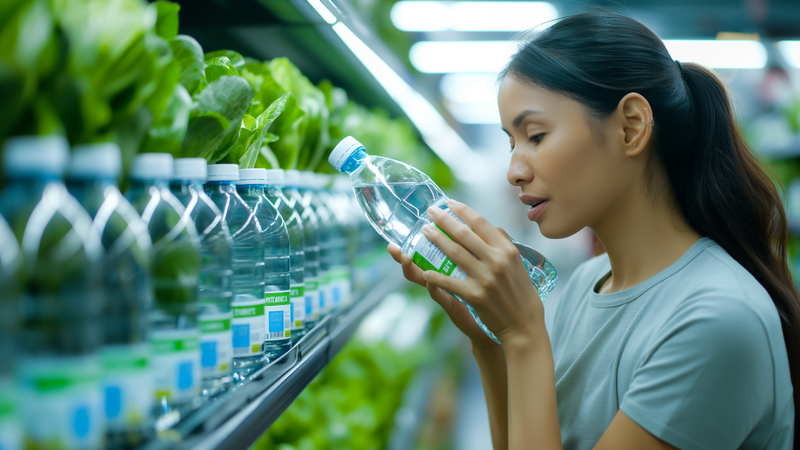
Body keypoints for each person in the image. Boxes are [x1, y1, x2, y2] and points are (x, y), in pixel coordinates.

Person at [387, 11, 800, 450]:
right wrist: (489, 341)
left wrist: (524, 336)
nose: (514, 171)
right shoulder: (589, 283)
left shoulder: (716, 319)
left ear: (631, 127)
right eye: (511, 143)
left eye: (537, 136)